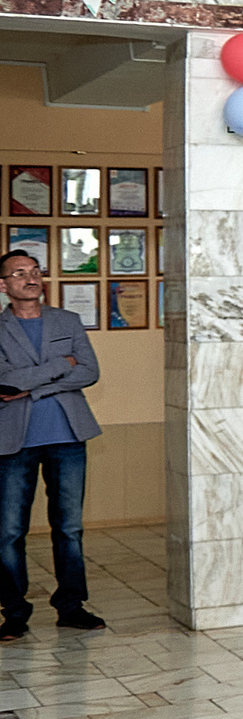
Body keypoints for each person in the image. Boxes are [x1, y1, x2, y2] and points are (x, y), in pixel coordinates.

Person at [0, 251, 103, 640]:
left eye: (35, 271)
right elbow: (4, 380)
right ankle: (14, 613)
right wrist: (62, 363)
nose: (31, 278)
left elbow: (90, 371)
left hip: (68, 437)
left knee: (70, 528)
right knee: (9, 532)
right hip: (13, 442)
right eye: (20, 272)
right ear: (3, 285)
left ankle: (71, 607)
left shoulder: (68, 320)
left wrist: (33, 386)